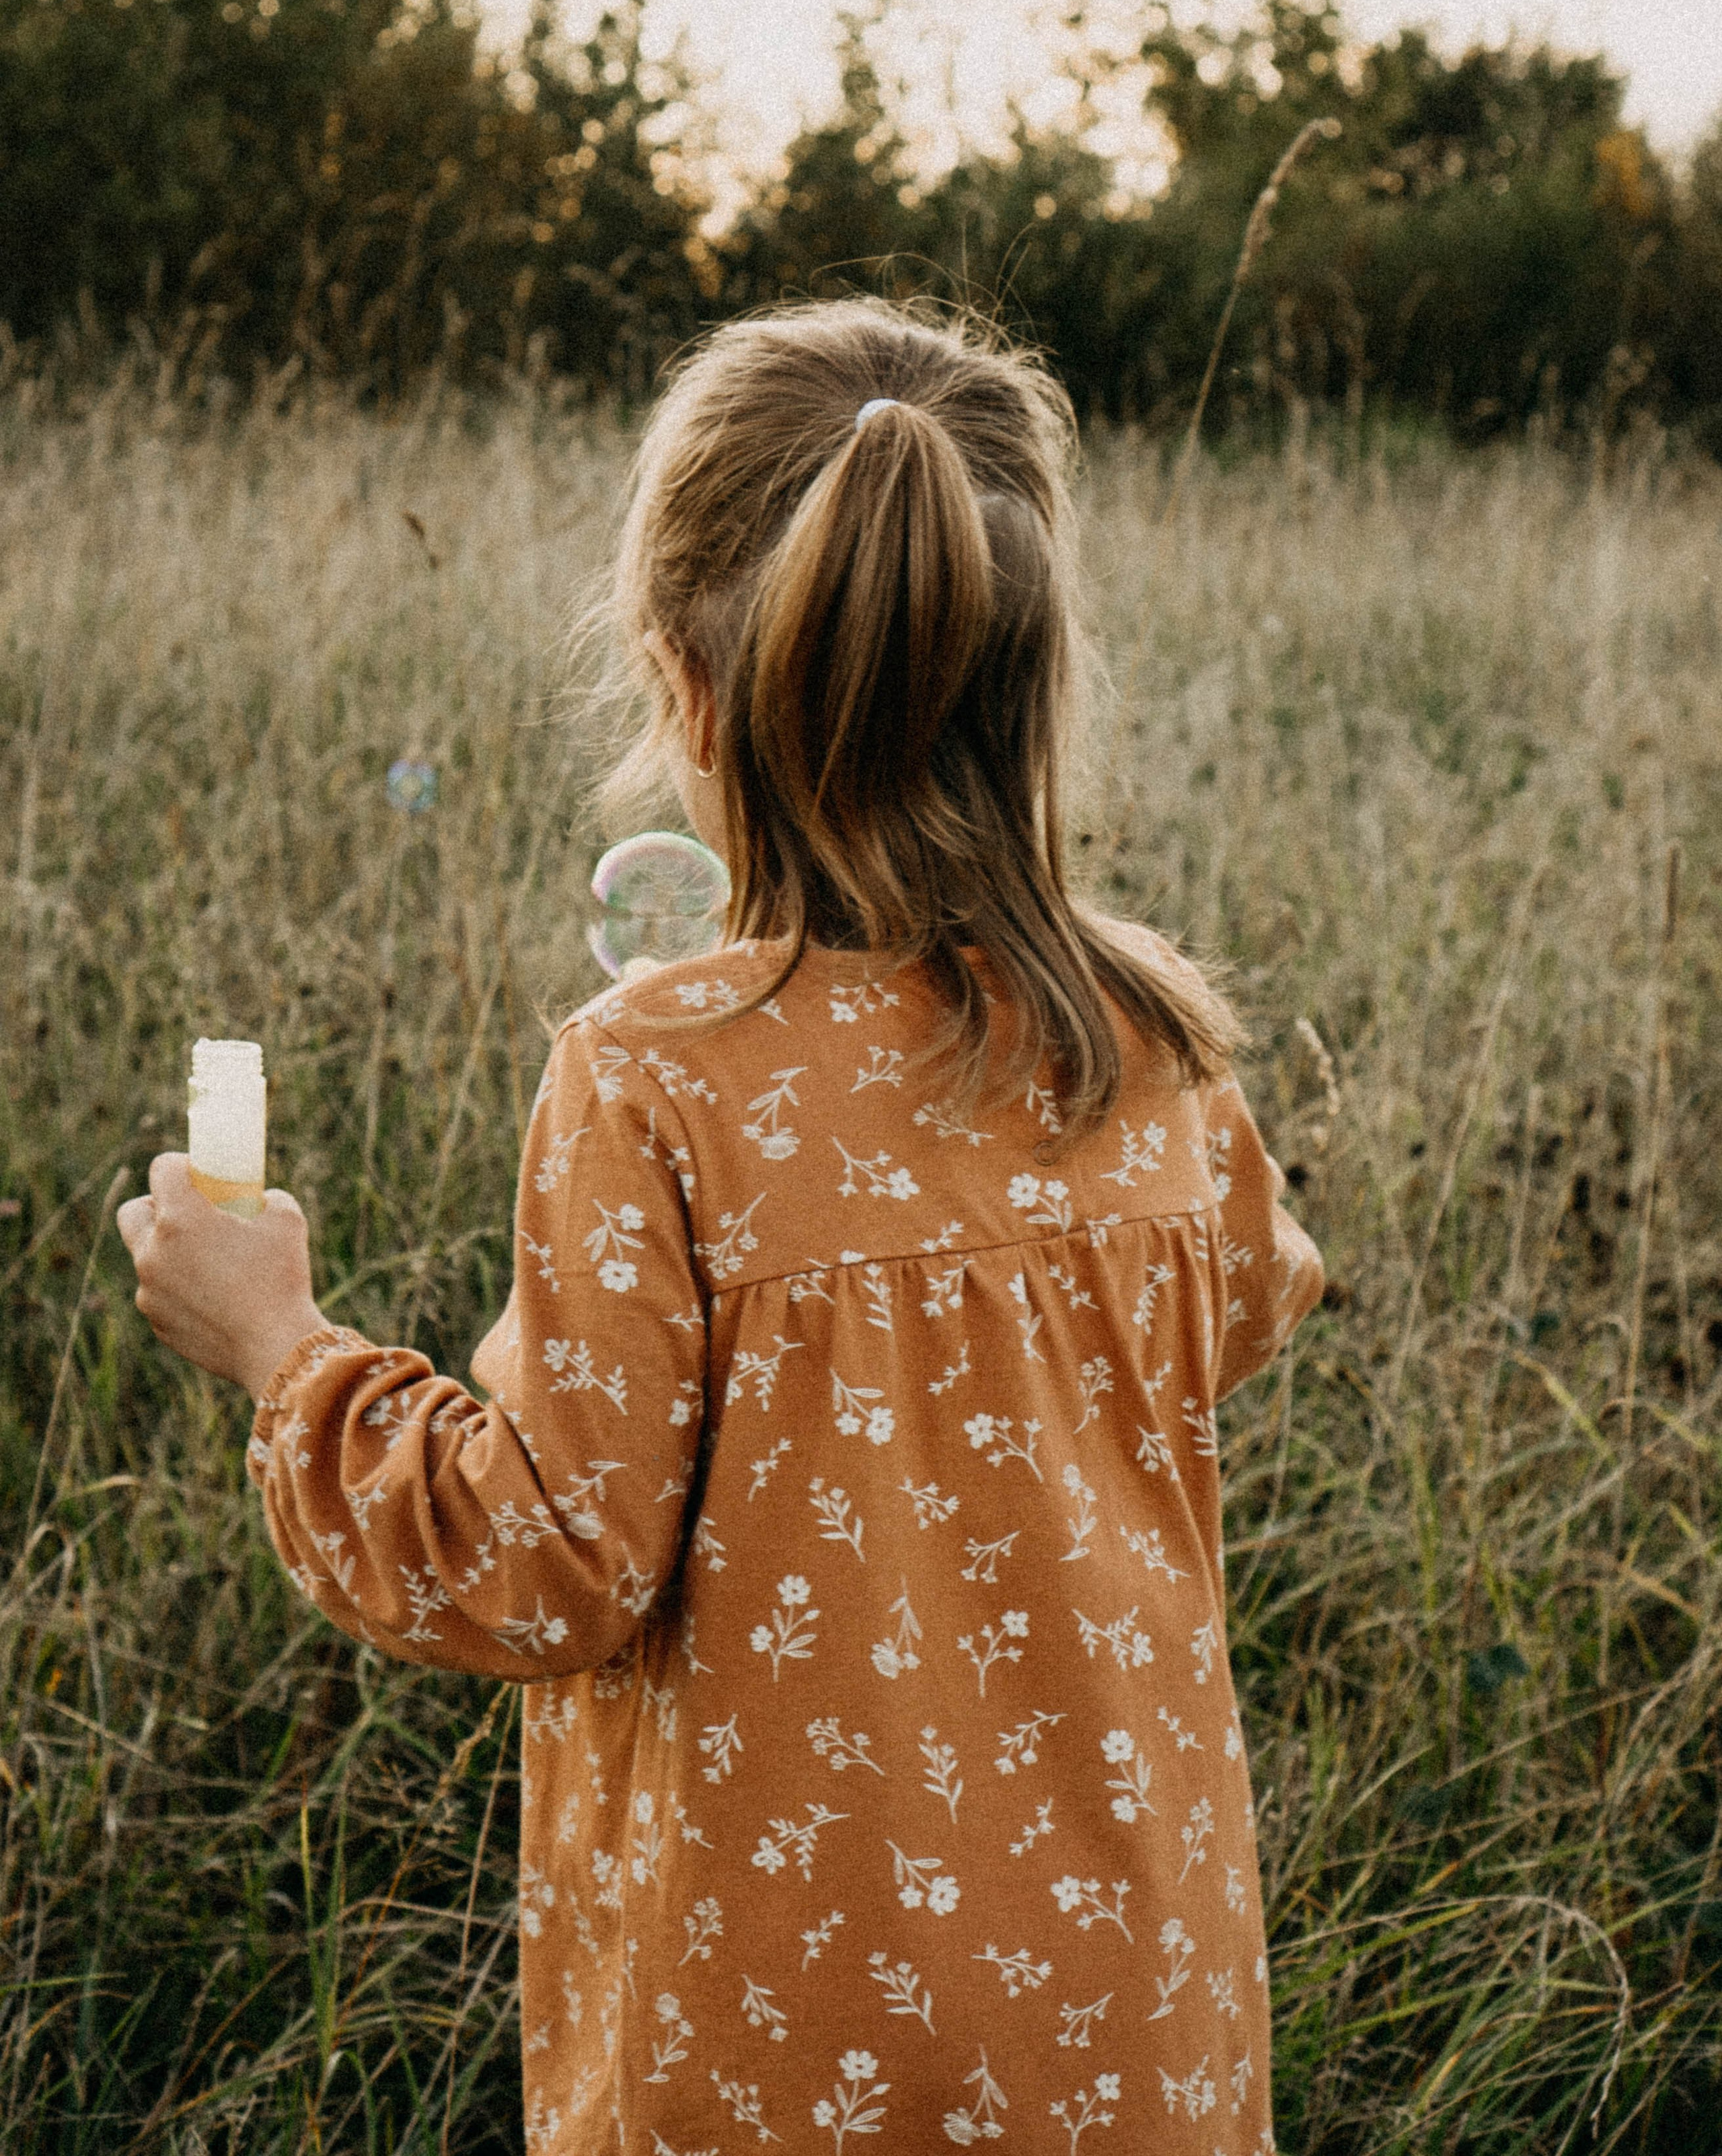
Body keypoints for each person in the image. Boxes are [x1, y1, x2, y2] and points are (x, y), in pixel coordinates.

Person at [120, 297, 1322, 2154]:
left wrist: (282, 1349)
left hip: (774, 2045)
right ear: (1032, 679)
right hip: (1129, 2025)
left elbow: (542, 1565)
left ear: (679, 681)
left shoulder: (656, 1078)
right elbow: (1245, 1303)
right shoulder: (1149, 1041)